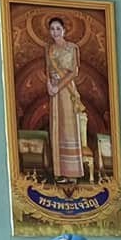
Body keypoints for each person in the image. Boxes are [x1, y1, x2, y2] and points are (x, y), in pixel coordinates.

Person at [44, 15, 86, 183]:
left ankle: (72, 173)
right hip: (54, 92)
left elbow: (74, 72)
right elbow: (47, 69)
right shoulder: (49, 49)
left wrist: (58, 87)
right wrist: (49, 85)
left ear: (64, 30)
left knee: (68, 128)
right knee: (57, 127)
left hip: (67, 91)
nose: (55, 32)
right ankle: (59, 171)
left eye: (58, 29)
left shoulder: (72, 48)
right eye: (52, 29)